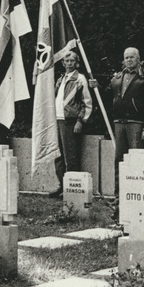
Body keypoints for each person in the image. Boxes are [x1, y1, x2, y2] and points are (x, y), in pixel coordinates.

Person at [90, 47, 144, 167]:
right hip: (119, 122)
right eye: (126, 57)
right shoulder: (117, 78)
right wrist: (97, 87)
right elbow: (106, 97)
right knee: (119, 158)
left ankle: (136, 186)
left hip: (136, 123)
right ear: (123, 60)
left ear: (138, 59)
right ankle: (118, 186)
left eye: (132, 57)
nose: (129, 60)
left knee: (137, 159)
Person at [51, 50, 93, 197]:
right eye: (66, 61)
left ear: (77, 63)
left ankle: (71, 188)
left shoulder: (79, 79)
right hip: (57, 119)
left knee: (71, 156)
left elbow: (87, 103)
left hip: (70, 121)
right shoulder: (61, 78)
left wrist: (80, 121)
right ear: (63, 63)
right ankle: (62, 186)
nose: (69, 63)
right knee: (58, 155)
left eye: (72, 61)